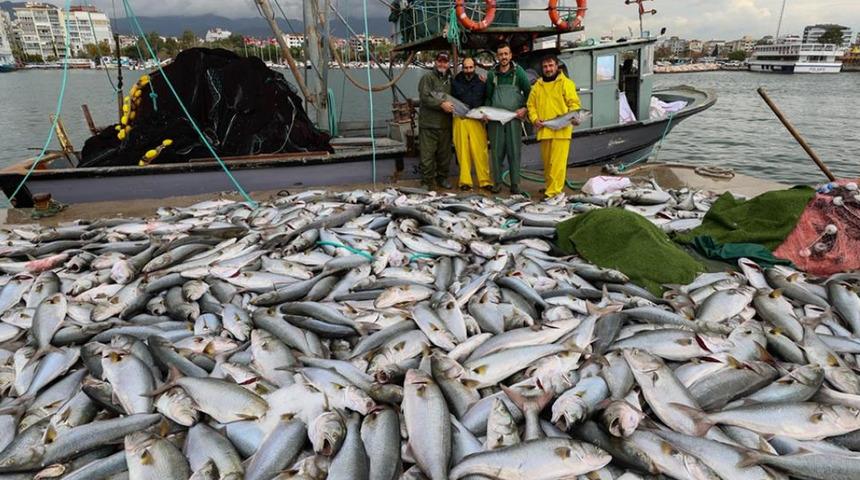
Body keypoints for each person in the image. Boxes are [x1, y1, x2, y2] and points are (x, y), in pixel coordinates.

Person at [527, 54, 581, 199]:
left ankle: (553, 192)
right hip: (544, 130)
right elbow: (531, 105)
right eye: (545, 66)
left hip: (562, 131)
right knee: (548, 163)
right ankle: (550, 187)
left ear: (557, 66)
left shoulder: (566, 83)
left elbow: (574, 105)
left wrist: (574, 118)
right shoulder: (537, 86)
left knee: (558, 164)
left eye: (551, 65)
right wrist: (534, 119)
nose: (548, 69)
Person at [484, 42, 530, 194]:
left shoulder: (519, 72)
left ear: (510, 55)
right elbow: (488, 97)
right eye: (500, 54)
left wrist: (525, 108)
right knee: (496, 152)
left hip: (514, 119)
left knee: (514, 151)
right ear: (497, 56)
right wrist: (486, 113)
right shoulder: (492, 74)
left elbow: (529, 93)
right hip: (495, 121)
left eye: (506, 54)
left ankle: (515, 184)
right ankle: (497, 182)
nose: (503, 57)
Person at [451, 57, 490, 191]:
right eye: (466, 68)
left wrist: (486, 114)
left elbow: (487, 98)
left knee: (480, 151)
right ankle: (465, 181)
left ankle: (485, 181)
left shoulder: (481, 82)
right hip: (460, 120)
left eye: (470, 67)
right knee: (463, 151)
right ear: (462, 68)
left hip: (477, 120)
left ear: (475, 67)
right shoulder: (455, 82)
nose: (468, 70)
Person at [417, 52, 454, 190]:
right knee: (427, 157)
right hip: (428, 125)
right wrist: (441, 104)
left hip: (445, 125)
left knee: (444, 156)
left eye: (445, 61)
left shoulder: (451, 79)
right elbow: (424, 97)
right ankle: (426, 182)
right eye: (440, 61)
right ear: (435, 62)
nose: (442, 64)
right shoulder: (427, 78)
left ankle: (442, 178)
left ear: (448, 63)